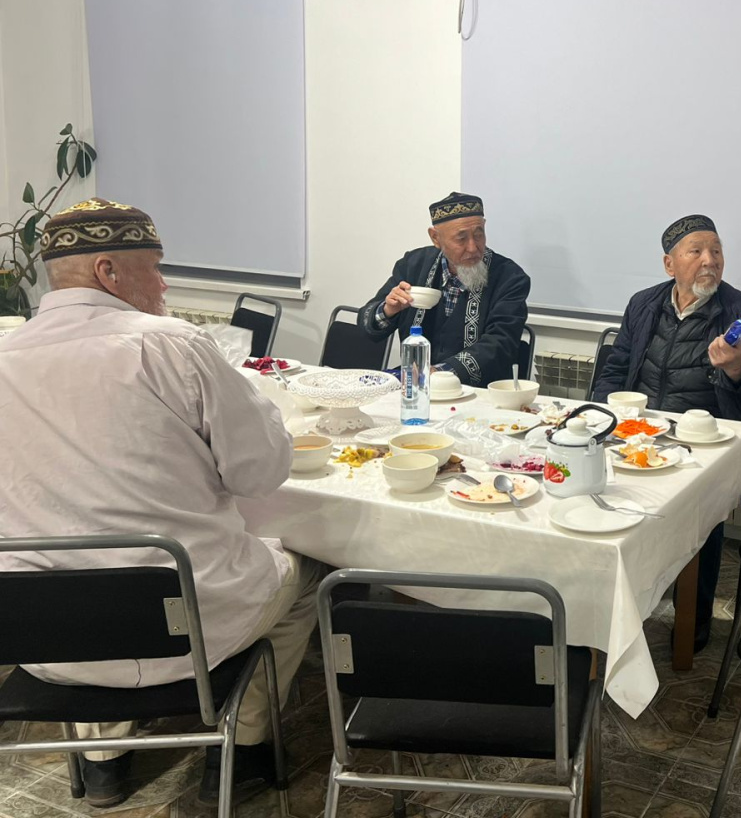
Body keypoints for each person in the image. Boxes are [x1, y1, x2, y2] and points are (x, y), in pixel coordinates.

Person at [0, 198, 322, 808]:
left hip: (39, 633)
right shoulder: (171, 345)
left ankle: (103, 763)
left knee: (79, 560)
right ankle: (243, 749)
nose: (165, 283)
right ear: (108, 272)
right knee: (306, 571)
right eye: (155, 267)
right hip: (186, 625)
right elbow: (260, 472)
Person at [591, 214, 741, 650]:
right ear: (669, 264)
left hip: (704, 443)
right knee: (603, 500)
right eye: (696, 251)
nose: (710, 260)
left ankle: (691, 625)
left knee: (700, 515)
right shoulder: (643, 304)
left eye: (716, 251)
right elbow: (616, 366)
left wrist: (739, 367)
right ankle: (615, 611)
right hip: (637, 432)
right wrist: (606, 413)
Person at [359, 192, 530, 387]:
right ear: (435, 238)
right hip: (416, 387)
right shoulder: (413, 265)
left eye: (479, 234)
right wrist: (388, 310)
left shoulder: (510, 277)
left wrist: (440, 373)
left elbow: (501, 343)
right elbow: (367, 326)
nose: (473, 247)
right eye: (461, 239)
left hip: (479, 390)